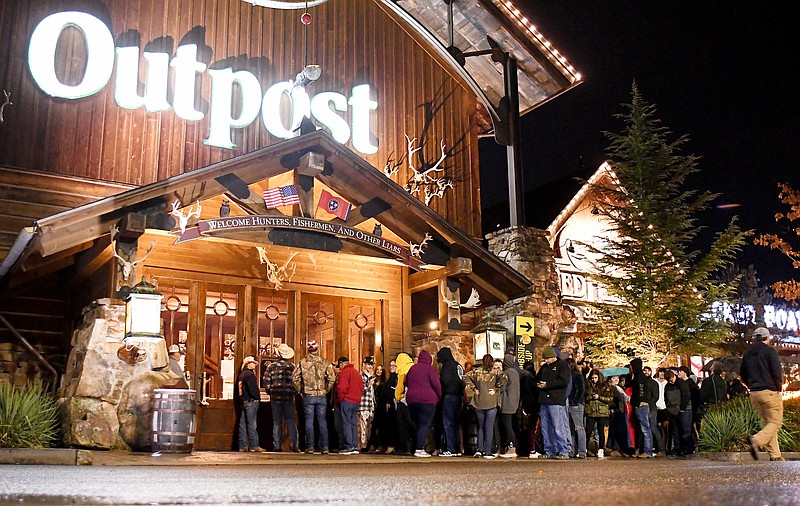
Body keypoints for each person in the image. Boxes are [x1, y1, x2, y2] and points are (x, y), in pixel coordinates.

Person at [741, 326, 785, 461]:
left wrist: (750, 386)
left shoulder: (747, 353)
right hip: (770, 391)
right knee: (776, 423)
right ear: (767, 338)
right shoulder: (770, 351)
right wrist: (778, 386)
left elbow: (743, 373)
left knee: (768, 424)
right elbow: (776, 371)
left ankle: (775, 455)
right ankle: (756, 440)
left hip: (754, 393)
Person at [292, 340, 335, 454]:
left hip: (308, 395)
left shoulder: (302, 362)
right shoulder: (324, 362)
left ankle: (310, 446)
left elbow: (295, 378)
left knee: (309, 421)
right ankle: (324, 447)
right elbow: (332, 378)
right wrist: (326, 389)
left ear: (308, 350)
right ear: (318, 349)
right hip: (321, 395)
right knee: (322, 421)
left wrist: (300, 390)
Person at [464, 354, 507, 459]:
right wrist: (496, 389)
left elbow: (465, 377)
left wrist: (474, 389)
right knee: (489, 427)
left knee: (481, 427)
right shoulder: (495, 371)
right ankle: (488, 451)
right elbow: (505, 377)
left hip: (479, 401)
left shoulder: (477, 371)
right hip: (492, 401)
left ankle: (479, 449)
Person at [535, 346, 571, 459]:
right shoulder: (545, 367)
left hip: (556, 400)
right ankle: (549, 450)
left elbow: (564, 381)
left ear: (553, 357)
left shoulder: (563, 365)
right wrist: (538, 383)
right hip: (544, 400)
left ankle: (564, 450)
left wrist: (548, 385)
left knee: (557, 426)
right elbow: (537, 377)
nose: (546, 361)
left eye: (547, 358)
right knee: (545, 427)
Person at [405, 350, 442, 457]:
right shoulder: (429, 369)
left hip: (412, 400)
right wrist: (439, 396)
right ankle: (419, 449)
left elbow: (406, 382)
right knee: (424, 424)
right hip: (427, 400)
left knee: (416, 425)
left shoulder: (412, 369)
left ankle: (414, 447)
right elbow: (436, 385)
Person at [263, 343, 299, 452]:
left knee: (277, 422)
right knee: (290, 421)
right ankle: (294, 445)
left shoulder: (271, 366)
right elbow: (297, 382)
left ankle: (277, 446)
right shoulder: (292, 367)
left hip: (275, 397)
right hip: (288, 397)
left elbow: (266, 381)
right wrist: (293, 392)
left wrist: (270, 391)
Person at [437, 347, 464, 457]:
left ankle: (450, 449)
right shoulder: (458, 365)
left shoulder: (447, 366)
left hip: (450, 396)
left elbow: (445, 381)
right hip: (460, 396)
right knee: (456, 423)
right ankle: (457, 449)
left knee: (448, 423)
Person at [335, 356, 364, 455]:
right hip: (356, 401)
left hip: (347, 401)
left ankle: (348, 446)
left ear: (342, 364)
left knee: (346, 423)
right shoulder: (356, 372)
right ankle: (355, 446)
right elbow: (361, 387)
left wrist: (341, 399)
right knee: (353, 424)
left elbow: (341, 388)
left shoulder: (344, 372)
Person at [236, 356, 265, 452]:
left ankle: (242, 445)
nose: (254, 365)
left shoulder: (242, 375)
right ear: (248, 363)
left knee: (243, 423)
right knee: (252, 423)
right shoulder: (250, 375)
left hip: (244, 401)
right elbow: (253, 389)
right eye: (252, 363)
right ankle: (254, 445)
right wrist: (257, 397)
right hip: (251, 401)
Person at [629, 358, 656, 458]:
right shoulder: (637, 377)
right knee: (640, 429)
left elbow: (641, 392)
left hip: (641, 405)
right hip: (639, 405)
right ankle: (640, 449)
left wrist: (640, 402)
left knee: (645, 428)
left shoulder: (640, 378)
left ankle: (647, 451)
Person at [584, 369, 613, 459]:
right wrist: (590, 397)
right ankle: (584, 448)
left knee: (601, 431)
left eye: (595, 378)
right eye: (592, 378)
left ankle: (601, 449)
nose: (594, 380)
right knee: (588, 431)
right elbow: (585, 397)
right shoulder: (587, 385)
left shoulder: (605, 386)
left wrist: (599, 397)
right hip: (591, 411)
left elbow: (610, 399)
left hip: (601, 411)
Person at [499, 353, 521, 458]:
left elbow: (501, 388)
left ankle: (511, 447)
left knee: (507, 427)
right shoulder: (516, 373)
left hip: (506, 403)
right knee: (512, 426)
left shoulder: (506, 373)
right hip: (515, 403)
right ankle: (511, 446)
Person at [394, 352, 415, 455]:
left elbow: (400, 387)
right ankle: (413, 447)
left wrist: (397, 397)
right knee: (412, 425)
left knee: (403, 426)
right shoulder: (413, 367)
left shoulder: (403, 370)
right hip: (414, 401)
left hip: (404, 401)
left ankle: (405, 448)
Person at [565, 357, 586, 459]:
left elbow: (580, 390)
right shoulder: (572, 376)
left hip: (575, 404)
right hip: (570, 404)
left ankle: (581, 451)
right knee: (570, 428)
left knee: (578, 427)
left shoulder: (576, 375)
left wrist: (574, 401)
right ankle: (572, 450)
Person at [643, 366, 665, 457]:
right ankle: (646, 449)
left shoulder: (653, 383)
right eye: (644, 371)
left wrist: (649, 403)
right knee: (644, 429)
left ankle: (661, 449)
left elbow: (656, 396)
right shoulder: (642, 383)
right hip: (643, 408)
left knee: (653, 428)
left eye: (648, 371)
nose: (646, 372)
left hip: (652, 408)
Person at [358, 356, 376, 452]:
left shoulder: (371, 376)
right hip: (363, 405)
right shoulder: (361, 376)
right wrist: (368, 385)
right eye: (369, 364)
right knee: (363, 427)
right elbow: (360, 390)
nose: (370, 366)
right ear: (364, 365)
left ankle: (367, 445)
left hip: (370, 405)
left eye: (372, 364)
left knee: (369, 427)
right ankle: (363, 446)